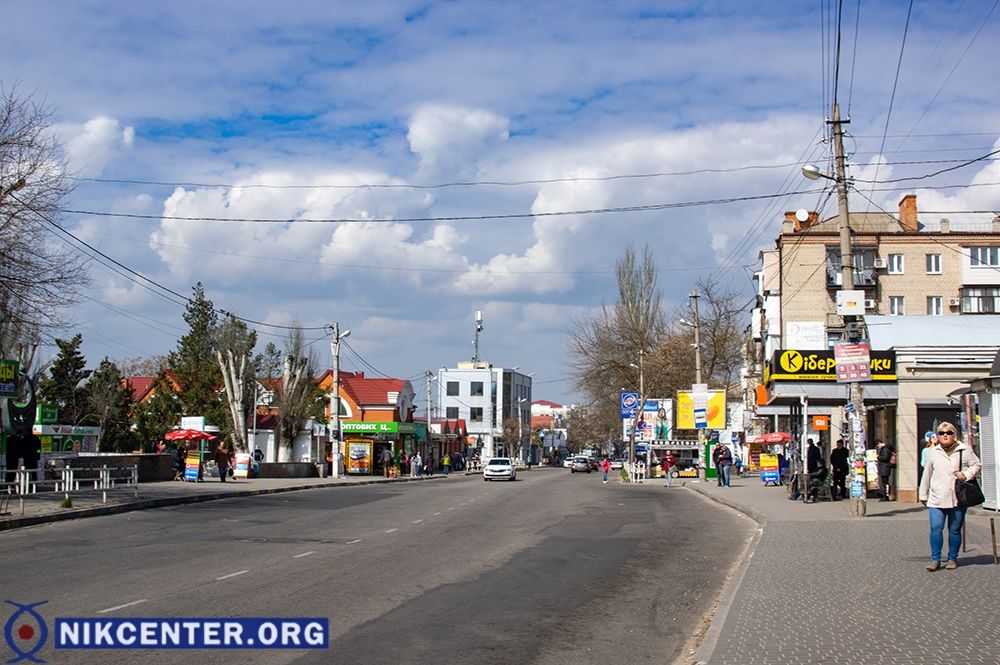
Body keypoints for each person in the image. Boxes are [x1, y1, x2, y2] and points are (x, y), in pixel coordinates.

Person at [918, 422, 981, 571]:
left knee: (954, 530)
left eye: (948, 433)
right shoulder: (933, 452)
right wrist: (923, 493)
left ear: (954, 435)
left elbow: (977, 464)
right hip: (936, 497)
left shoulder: (964, 450)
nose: (945, 435)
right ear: (938, 436)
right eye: (941, 433)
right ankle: (936, 559)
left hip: (957, 497)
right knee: (936, 528)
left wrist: (965, 474)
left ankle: (953, 558)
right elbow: (927, 474)